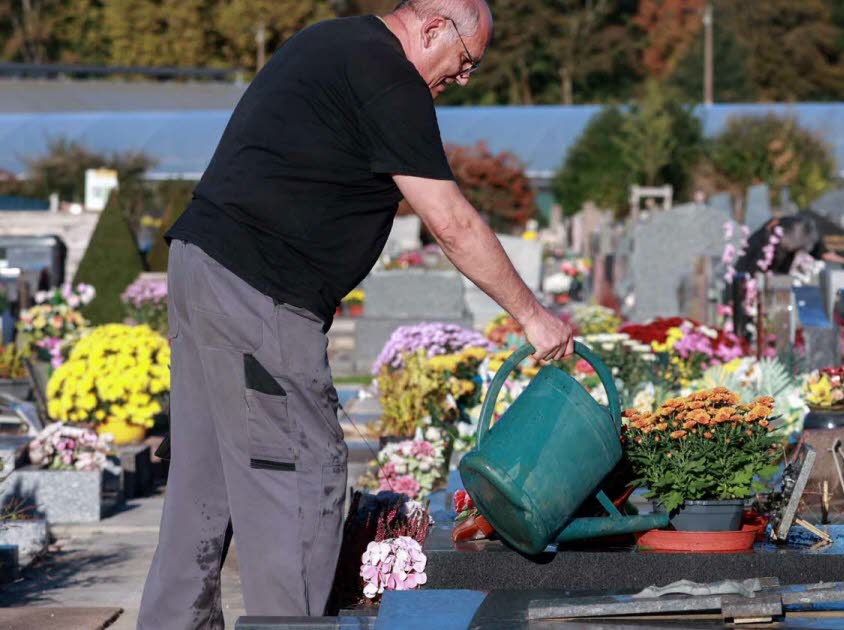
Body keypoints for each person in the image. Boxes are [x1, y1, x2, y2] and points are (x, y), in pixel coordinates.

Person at [138, 1, 573, 627]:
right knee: (299, 481)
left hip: (202, 267)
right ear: (432, 29)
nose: (464, 77)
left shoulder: (332, 41)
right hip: (260, 289)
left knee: (201, 486)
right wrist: (534, 317)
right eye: (465, 61)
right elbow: (450, 223)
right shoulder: (390, 77)